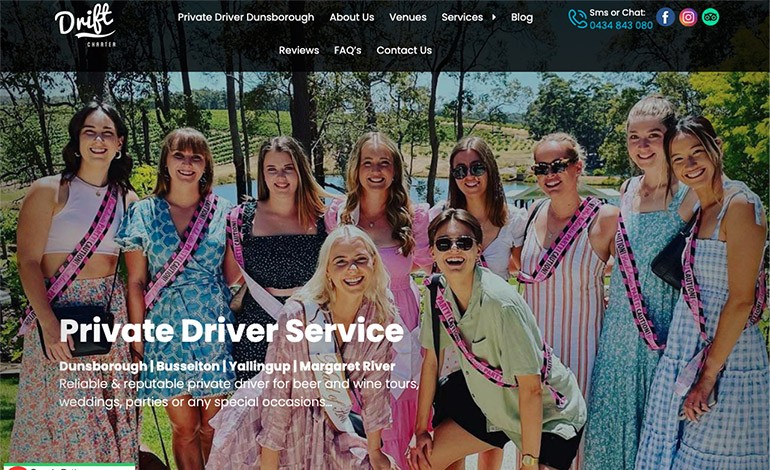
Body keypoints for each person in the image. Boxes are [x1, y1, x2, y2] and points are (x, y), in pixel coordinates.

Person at [636, 116, 768, 469]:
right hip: (686, 347)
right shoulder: (699, 205)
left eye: (697, 153)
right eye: (678, 158)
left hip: (726, 358)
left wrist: (708, 376)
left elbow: (741, 300)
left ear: (717, 147)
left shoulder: (740, 206)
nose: (690, 165)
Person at [207, 225, 398, 469]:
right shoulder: (298, 316)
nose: (352, 269)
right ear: (327, 270)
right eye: (340, 262)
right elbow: (278, 396)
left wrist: (375, 450)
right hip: (269, 424)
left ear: (374, 262)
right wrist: (269, 464)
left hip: (328, 420)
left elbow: (376, 387)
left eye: (361, 259)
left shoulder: (379, 312)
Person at [409, 209, 586, 470]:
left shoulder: (501, 303)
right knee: (424, 462)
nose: (454, 249)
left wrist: (529, 461)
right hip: (491, 405)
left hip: (548, 415)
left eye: (464, 242)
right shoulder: (437, 292)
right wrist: (420, 430)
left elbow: (531, 388)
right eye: (444, 243)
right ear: (433, 252)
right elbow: (431, 362)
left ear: (478, 250)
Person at [11, 102, 138, 463]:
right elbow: (28, 262)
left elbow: (135, 275)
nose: (98, 140)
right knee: (65, 419)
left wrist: (135, 339)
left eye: (107, 133)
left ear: (119, 143)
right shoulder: (49, 190)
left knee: (111, 418)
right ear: (77, 141)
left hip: (109, 319)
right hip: (58, 313)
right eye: (89, 132)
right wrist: (49, 324)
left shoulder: (128, 199)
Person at [583, 95, 697, 469]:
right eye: (634, 137)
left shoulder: (690, 194)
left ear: (671, 138)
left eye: (653, 136)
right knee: (611, 429)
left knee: (658, 432)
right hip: (618, 333)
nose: (642, 146)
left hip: (663, 331)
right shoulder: (627, 189)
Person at [117, 128, 240, 469]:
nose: (187, 164)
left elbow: (232, 276)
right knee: (184, 428)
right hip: (166, 332)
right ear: (166, 162)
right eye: (179, 155)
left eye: (196, 157)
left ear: (206, 165)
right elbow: (136, 283)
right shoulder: (143, 212)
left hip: (212, 330)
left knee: (214, 426)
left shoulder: (224, 212)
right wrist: (137, 340)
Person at [326, 131, 431, 468]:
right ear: (356, 169)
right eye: (367, 162)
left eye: (384, 163)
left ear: (395, 169)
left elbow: (431, 264)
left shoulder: (414, 217)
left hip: (402, 320)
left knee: (401, 410)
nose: (375, 170)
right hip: (353, 321)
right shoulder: (338, 215)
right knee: (361, 414)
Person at [516, 133, 617, 468]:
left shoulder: (605, 219)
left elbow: (633, 277)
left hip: (581, 358)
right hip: (534, 356)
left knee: (575, 452)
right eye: (541, 168)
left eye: (558, 165)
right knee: (532, 447)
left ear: (578, 167)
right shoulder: (532, 213)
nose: (550, 174)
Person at [433, 136, 528, 469]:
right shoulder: (441, 216)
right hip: (452, 336)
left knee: (491, 431)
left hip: (494, 341)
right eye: (460, 170)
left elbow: (523, 269)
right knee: (452, 422)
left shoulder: (513, 221)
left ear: (490, 169)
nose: (469, 176)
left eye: (476, 167)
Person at [229, 136, 327, 382]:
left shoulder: (325, 218)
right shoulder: (241, 218)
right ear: (262, 174)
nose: (280, 177)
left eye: (288, 168)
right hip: (256, 329)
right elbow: (229, 277)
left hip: (310, 326)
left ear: (301, 171)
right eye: (271, 169)